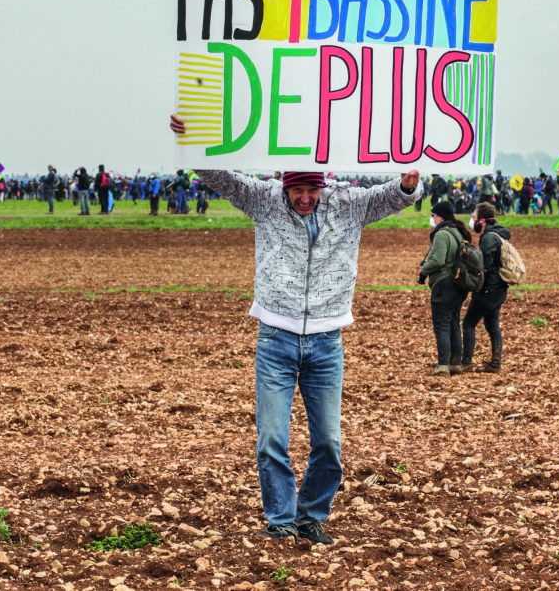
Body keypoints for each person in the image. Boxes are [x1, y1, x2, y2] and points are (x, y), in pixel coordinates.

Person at [169, 113, 422, 545]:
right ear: (285, 186)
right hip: (275, 339)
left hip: (327, 342)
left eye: (311, 190)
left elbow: (395, 196)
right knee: (271, 439)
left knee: (328, 443)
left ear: (322, 186)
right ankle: (281, 520)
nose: (304, 198)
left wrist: (410, 182)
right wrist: (191, 139)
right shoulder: (263, 200)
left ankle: (311, 516)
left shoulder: (348, 203)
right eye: (297, 190)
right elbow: (221, 177)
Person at [419, 201, 470, 376]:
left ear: (440, 216)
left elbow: (437, 260)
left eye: (433, 215)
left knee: (441, 325)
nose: (432, 218)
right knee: (454, 323)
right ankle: (455, 363)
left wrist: (423, 269)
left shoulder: (442, 234)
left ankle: (442, 365)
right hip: (458, 285)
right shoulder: (457, 232)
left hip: (444, 283)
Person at [461, 202, 509, 374]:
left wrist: (482, 288)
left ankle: (466, 362)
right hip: (499, 289)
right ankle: (495, 364)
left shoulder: (488, 238)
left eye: (473, 217)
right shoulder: (497, 235)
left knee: (468, 324)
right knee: (492, 325)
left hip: (489, 290)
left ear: (482, 220)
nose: (472, 220)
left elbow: (486, 268)